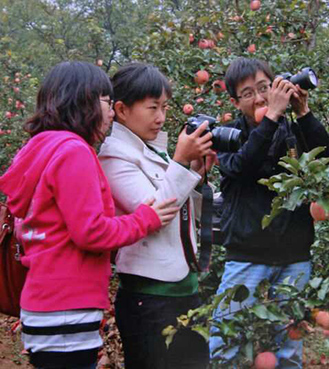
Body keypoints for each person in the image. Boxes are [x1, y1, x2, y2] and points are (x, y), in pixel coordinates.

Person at [0, 61, 180, 369]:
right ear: (83, 100)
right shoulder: (74, 152)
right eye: (107, 103)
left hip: (44, 304)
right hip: (67, 308)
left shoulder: (40, 148)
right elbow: (91, 232)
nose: (111, 113)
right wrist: (146, 219)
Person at [210, 57, 329, 368]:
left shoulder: (292, 131)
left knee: (289, 349)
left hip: (294, 256)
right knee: (226, 341)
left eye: (265, 88)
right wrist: (272, 116)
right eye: (248, 93)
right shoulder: (226, 135)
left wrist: (303, 114)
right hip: (247, 254)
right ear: (235, 101)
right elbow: (243, 166)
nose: (260, 98)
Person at [98, 63, 215, 369]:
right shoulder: (114, 158)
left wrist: (197, 175)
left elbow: (192, 214)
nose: (161, 118)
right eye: (152, 108)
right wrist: (180, 162)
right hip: (148, 299)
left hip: (186, 291)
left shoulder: (157, 153)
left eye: (163, 107)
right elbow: (153, 216)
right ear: (121, 110)